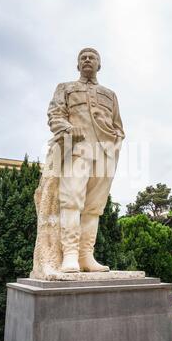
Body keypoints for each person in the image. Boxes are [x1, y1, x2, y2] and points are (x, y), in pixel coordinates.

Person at [47, 48, 125, 272]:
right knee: (71, 201)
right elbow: (54, 115)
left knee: (94, 208)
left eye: (92, 57)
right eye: (83, 58)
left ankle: (86, 256)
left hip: (105, 154)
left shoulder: (110, 95)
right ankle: (70, 255)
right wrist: (69, 129)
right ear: (78, 65)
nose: (88, 60)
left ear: (99, 65)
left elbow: (119, 127)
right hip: (76, 151)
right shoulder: (66, 88)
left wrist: (115, 144)